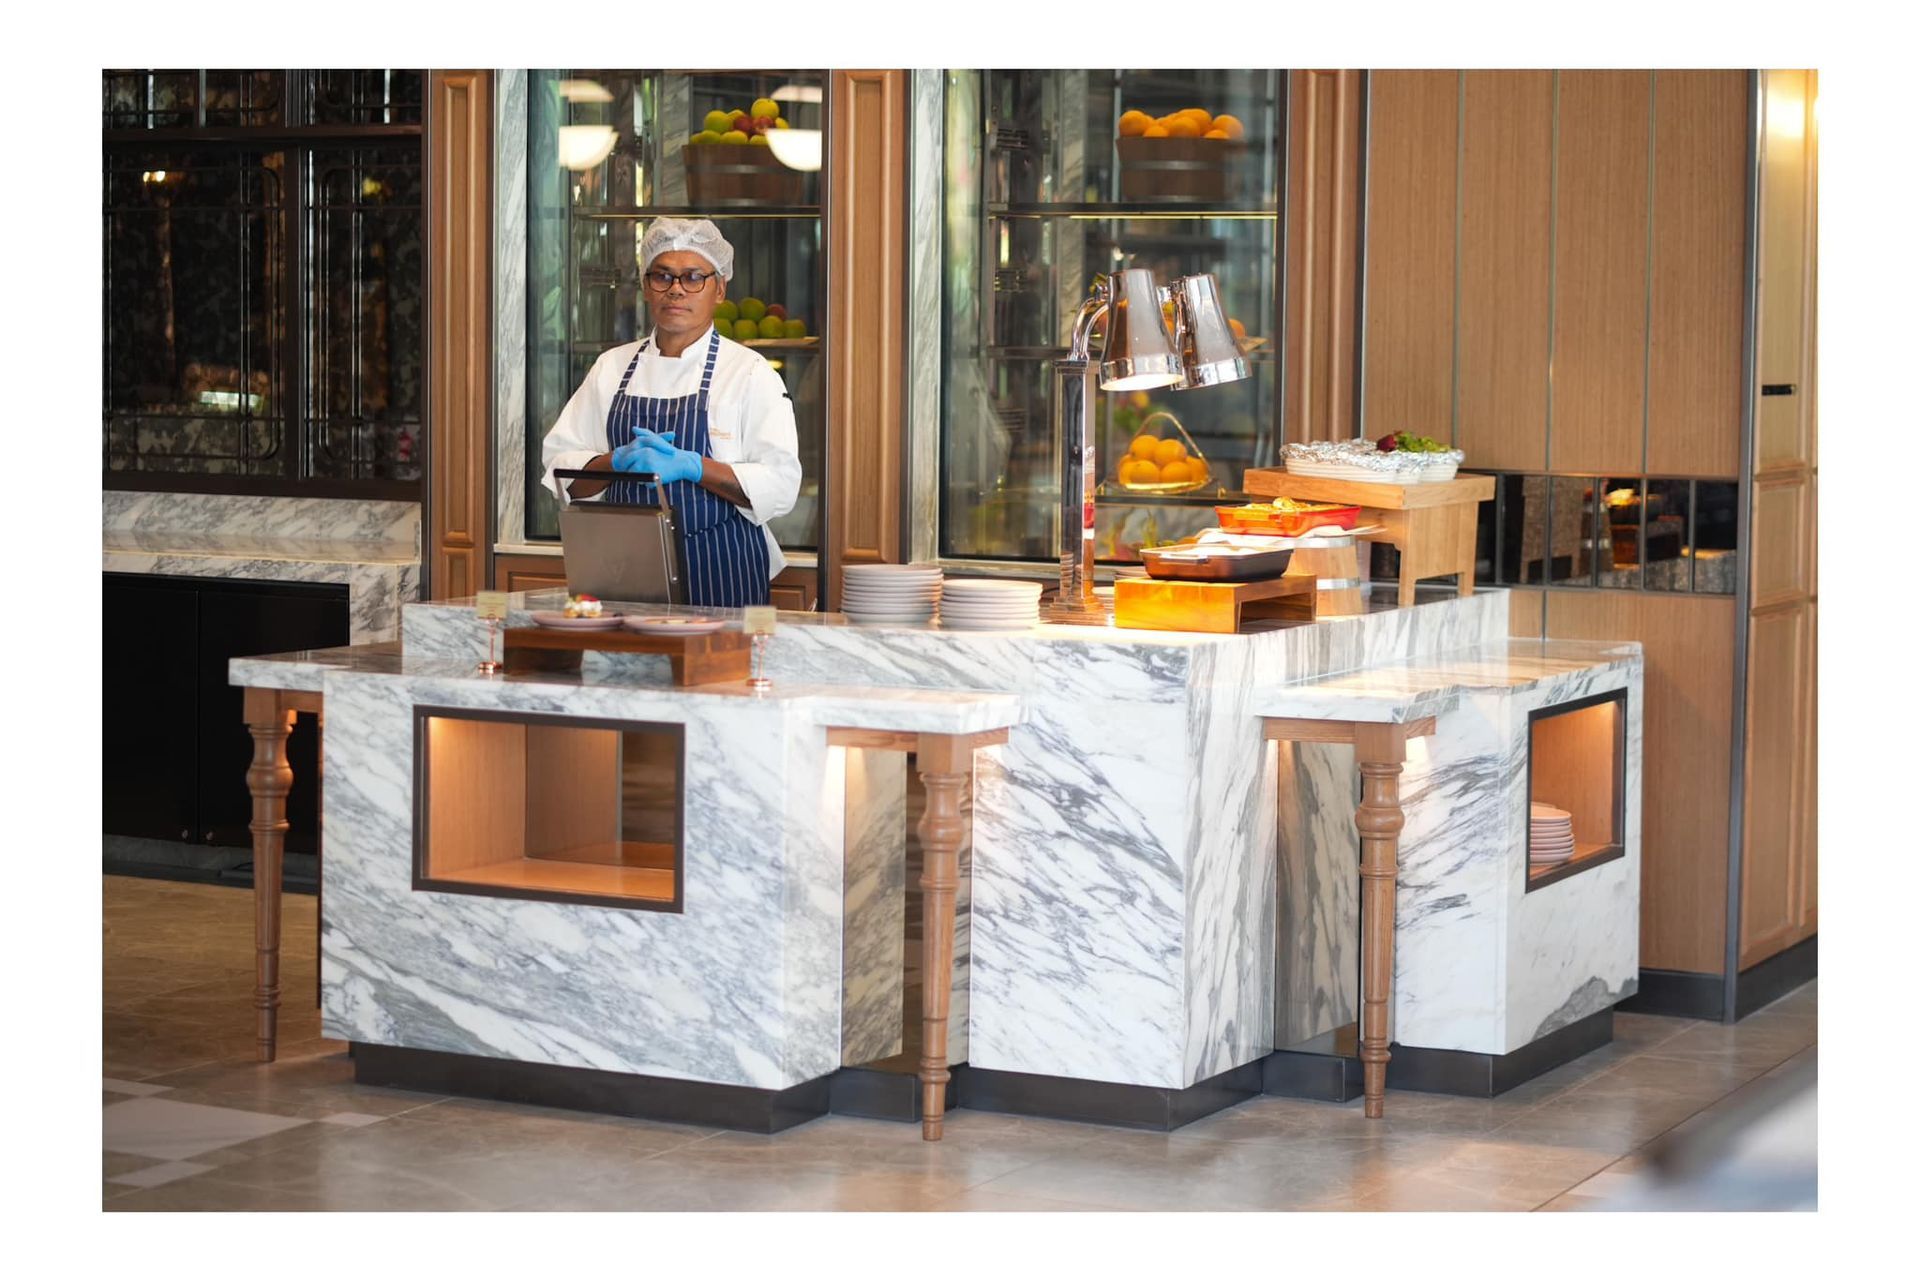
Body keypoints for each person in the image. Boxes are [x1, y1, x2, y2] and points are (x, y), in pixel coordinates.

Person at [541, 218, 801, 607]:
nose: (676, 289)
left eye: (693, 277)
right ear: (646, 287)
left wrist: (695, 466)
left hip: (722, 569)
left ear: (720, 289)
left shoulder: (749, 373)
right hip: (623, 572)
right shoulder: (611, 368)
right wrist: (615, 462)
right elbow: (562, 473)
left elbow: (781, 486)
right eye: (662, 276)